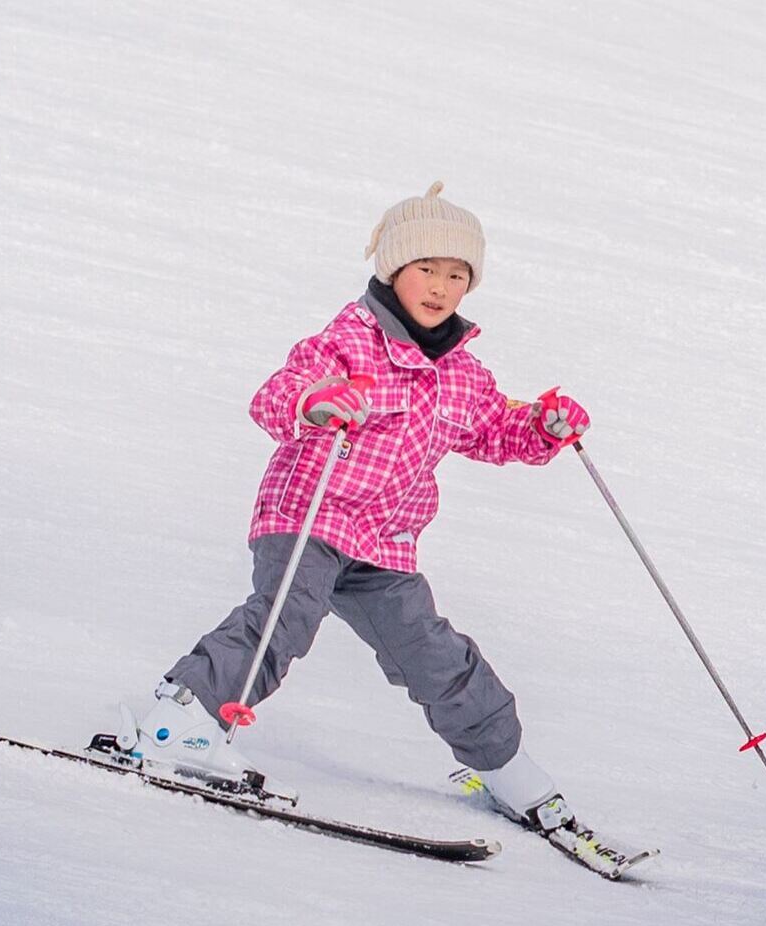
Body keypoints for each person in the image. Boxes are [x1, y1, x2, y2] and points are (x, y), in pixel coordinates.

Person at [118, 181, 590, 831]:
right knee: (285, 616)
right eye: (427, 268)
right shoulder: (350, 340)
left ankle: (502, 762)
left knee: (431, 651)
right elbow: (275, 396)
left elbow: (492, 431)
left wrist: (543, 427)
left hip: (385, 542)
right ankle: (183, 720)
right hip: (309, 515)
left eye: (458, 274)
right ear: (394, 268)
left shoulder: (463, 373)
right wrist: (315, 401)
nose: (441, 286)